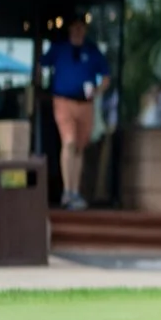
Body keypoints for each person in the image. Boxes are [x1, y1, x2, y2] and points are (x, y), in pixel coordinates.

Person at [41, 17, 110, 209]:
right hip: (63, 101)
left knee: (79, 147)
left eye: (81, 27)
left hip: (86, 104)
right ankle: (67, 191)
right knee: (69, 142)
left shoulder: (92, 50)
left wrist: (97, 91)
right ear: (70, 29)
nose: (78, 30)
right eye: (75, 27)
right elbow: (41, 64)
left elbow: (106, 77)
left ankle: (74, 191)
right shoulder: (59, 48)